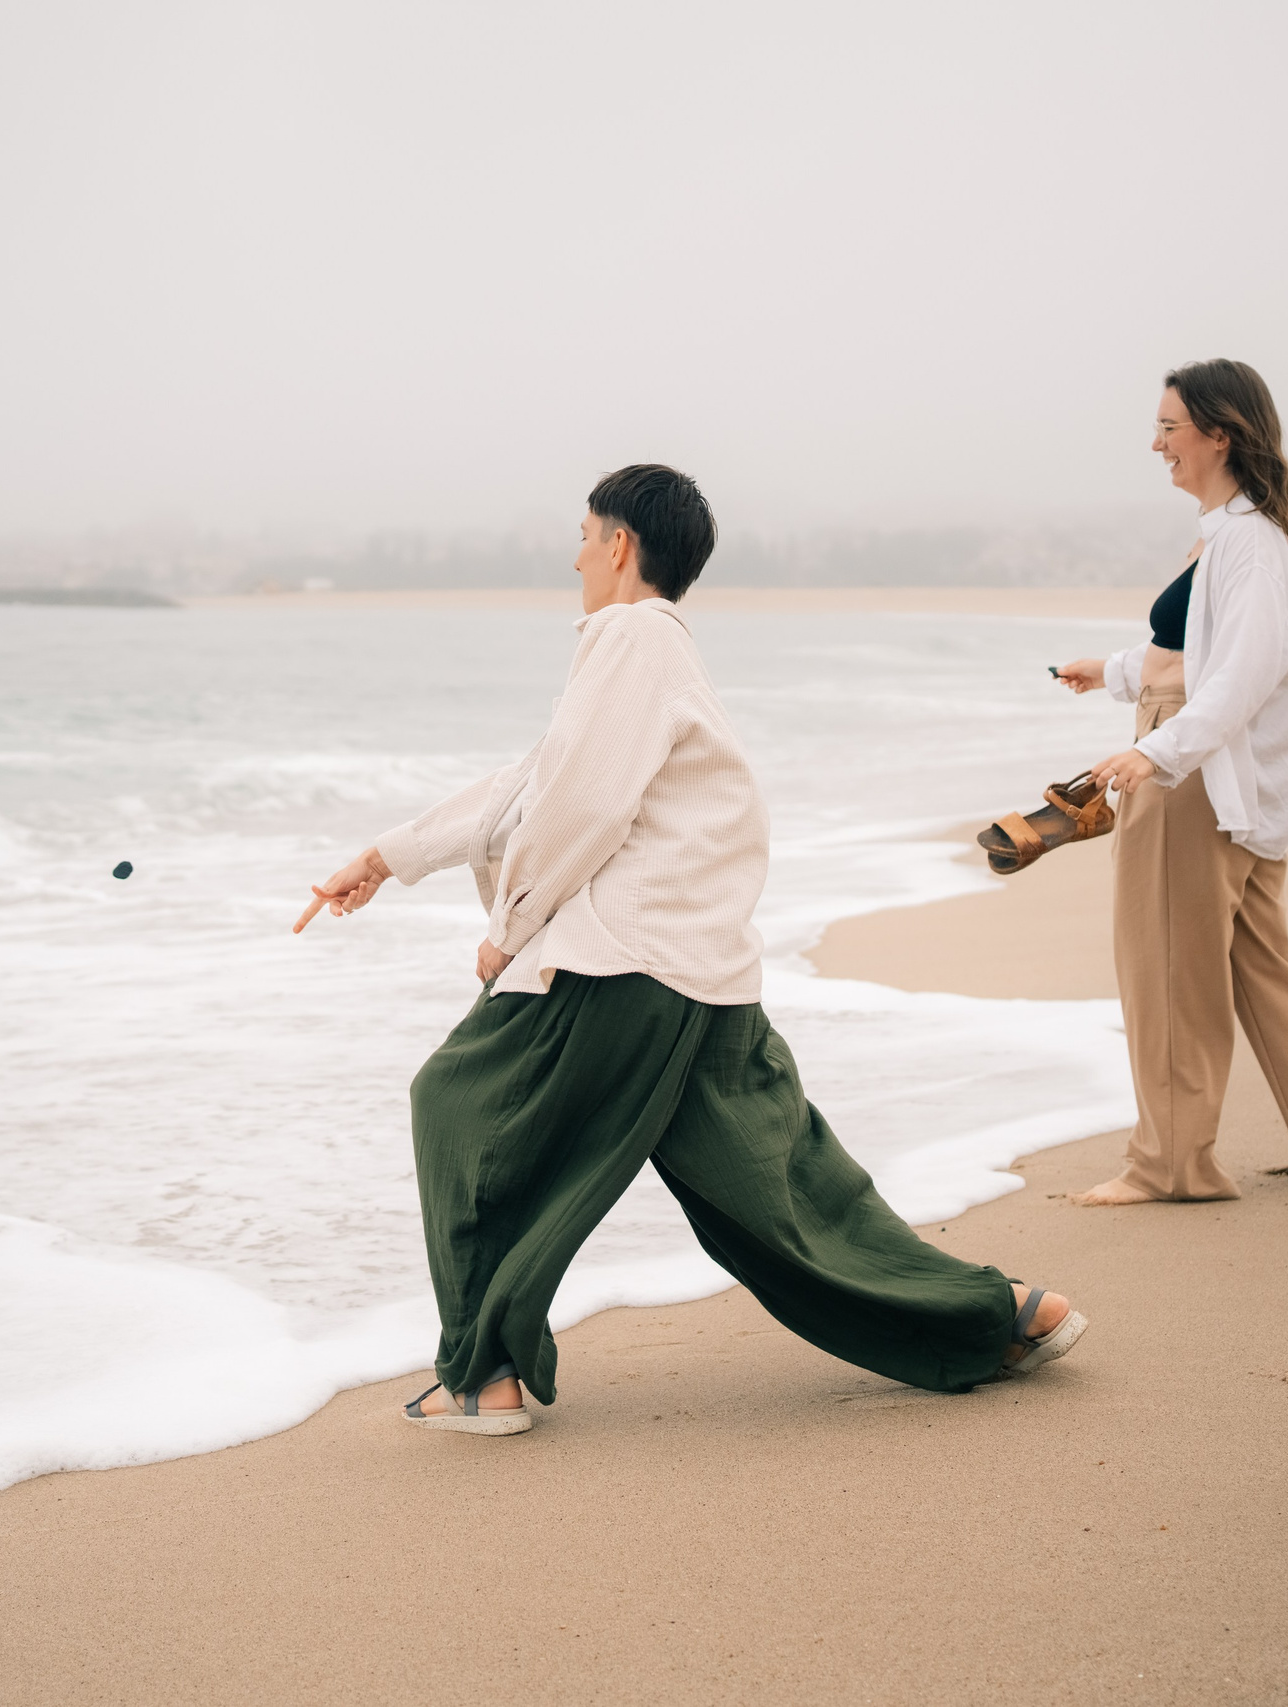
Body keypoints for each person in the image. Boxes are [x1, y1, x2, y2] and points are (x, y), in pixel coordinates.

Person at [295, 465, 1086, 1433]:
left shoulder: (627, 637)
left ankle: (484, 1376)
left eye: (584, 536)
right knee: (782, 1189)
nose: (576, 558)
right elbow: (538, 779)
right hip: (702, 967)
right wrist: (389, 856)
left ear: (620, 544)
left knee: (456, 1105)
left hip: (624, 963)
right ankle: (1004, 1314)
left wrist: (510, 931)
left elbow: (580, 802)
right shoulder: (664, 653)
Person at [1053, 361, 1288, 1205]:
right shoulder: (1235, 536)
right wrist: (1113, 671)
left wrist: (1158, 754)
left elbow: (1242, 674)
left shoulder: (1248, 545)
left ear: (1220, 435)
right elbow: (1199, 651)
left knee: (1167, 968)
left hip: (1199, 774)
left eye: (1169, 427)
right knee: (1261, 970)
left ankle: (1171, 1166)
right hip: (1224, 773)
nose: (1156, 443)